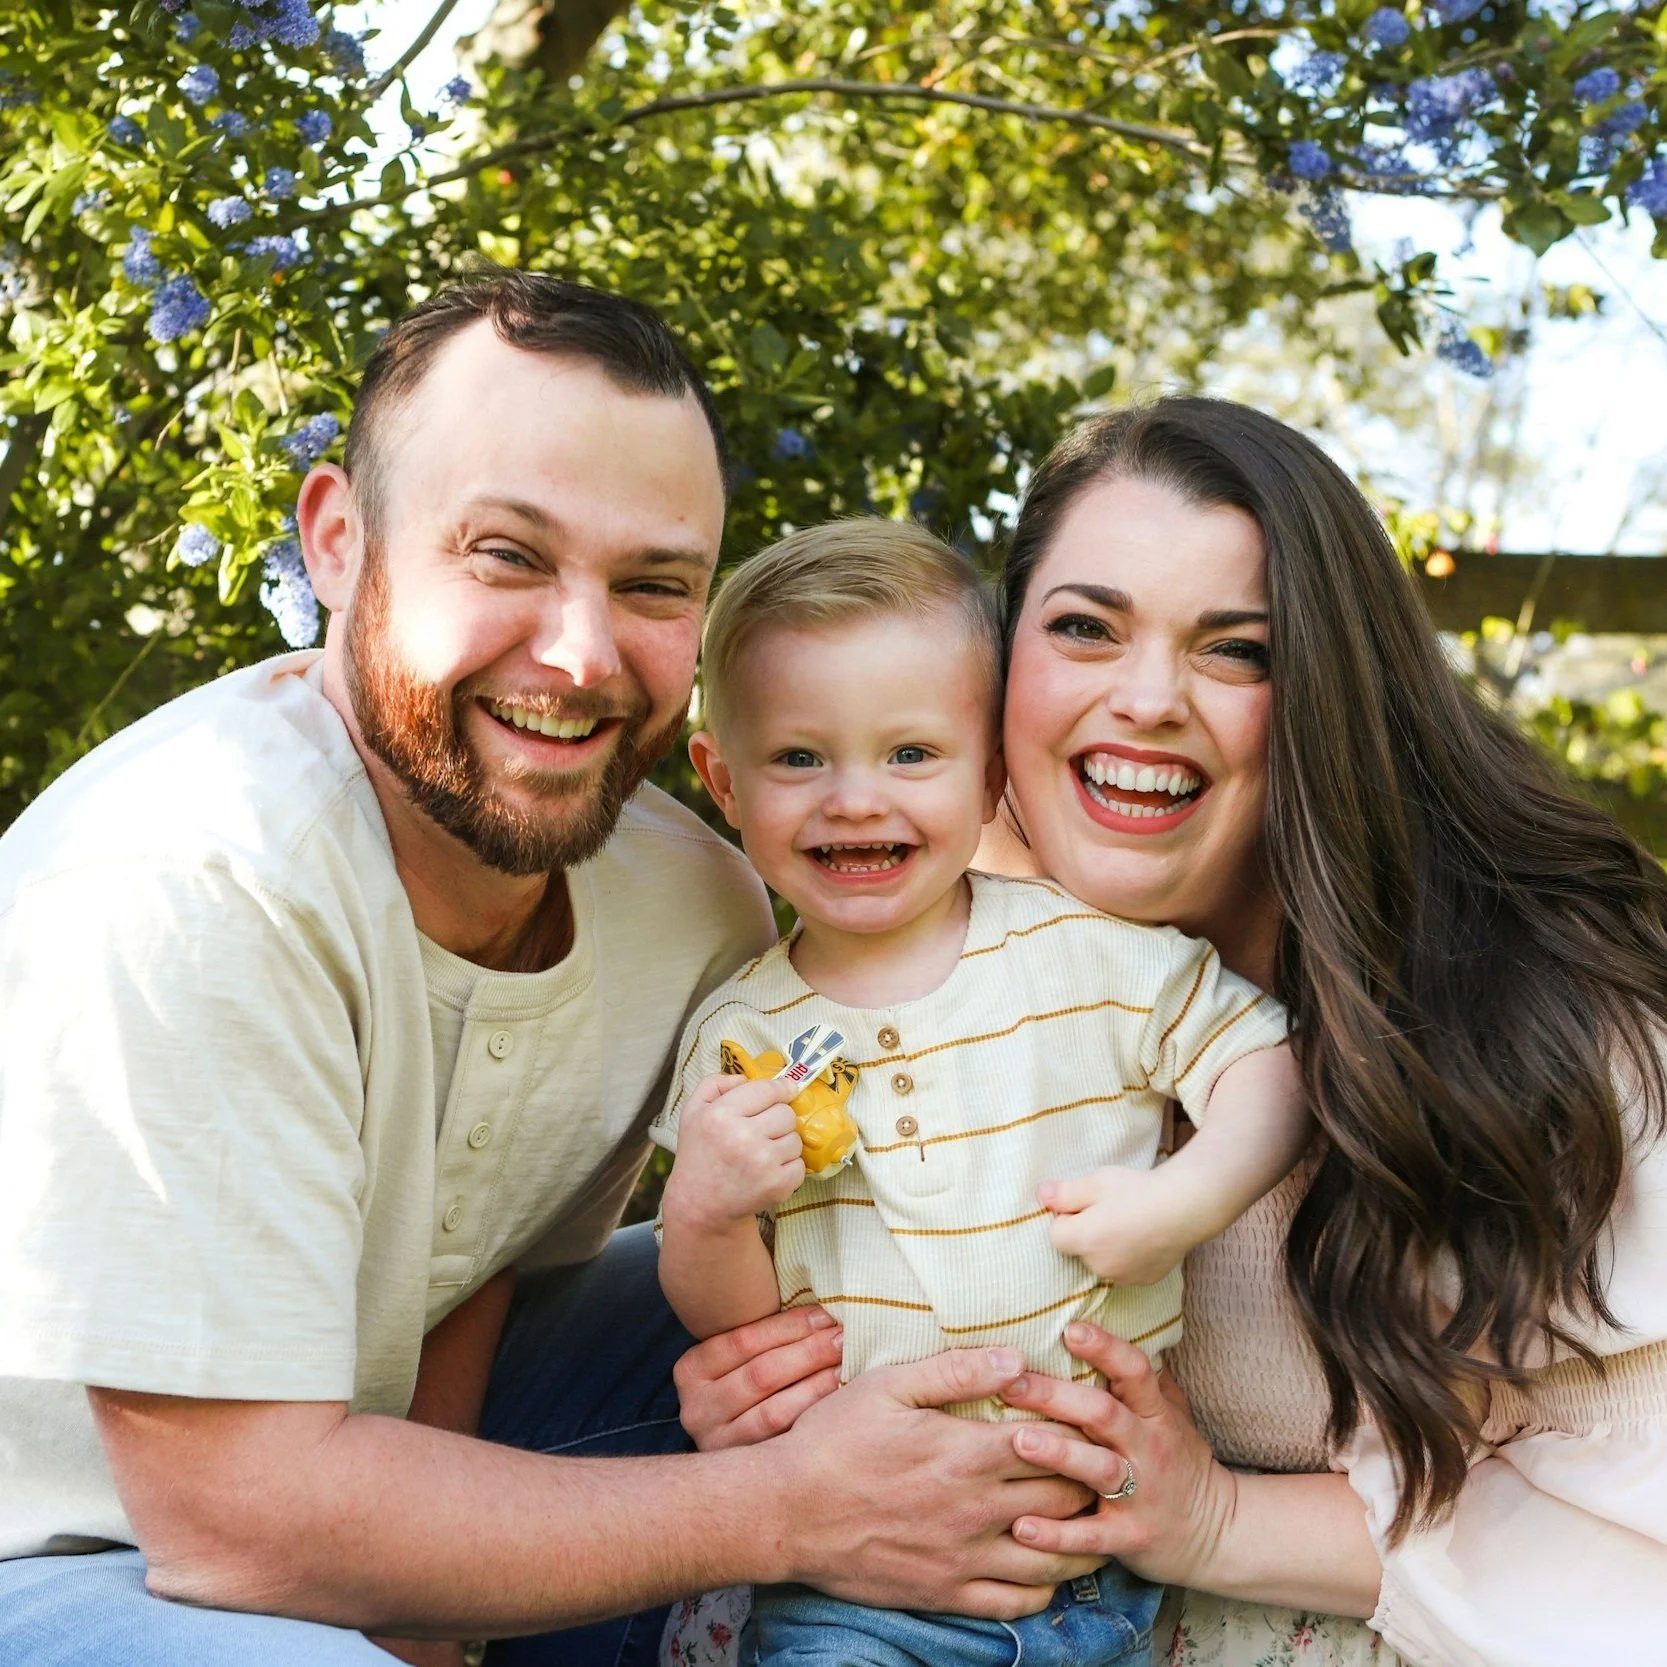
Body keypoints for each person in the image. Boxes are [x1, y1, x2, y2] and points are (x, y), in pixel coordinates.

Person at [0, 270, 1104, 1667]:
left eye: (650, 584)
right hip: (67, 1546)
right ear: (339, 540)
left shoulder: (685, 902)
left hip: (348, 1466)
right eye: (507, 555)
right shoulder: (191, 877)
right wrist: (782, 1503)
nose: (580, 654)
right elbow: (230, 1525)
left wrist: (435, 1621)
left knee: (822, 1277)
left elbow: (478, 1271)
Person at [674, 398, 1667, 1667]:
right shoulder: (925, 927)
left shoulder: (1532, 1028)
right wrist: (754, 1374)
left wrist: (1211, 1516)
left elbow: (1624, 1530)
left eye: (1235, 650)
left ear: (1324, 689)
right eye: (1084, 628)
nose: (1144, 698)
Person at [650, 519, 1309, 1666]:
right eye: (800, 758)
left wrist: (1184, 1200)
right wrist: (705, 1212)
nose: (855, 798)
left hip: (1096, 1555)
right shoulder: (740, 1032)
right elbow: (741, 1333)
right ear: (721, 779)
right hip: (856, 1572)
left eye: (910, 754)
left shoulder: (1083, 951)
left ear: (991, 769)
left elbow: (1263, 1057)